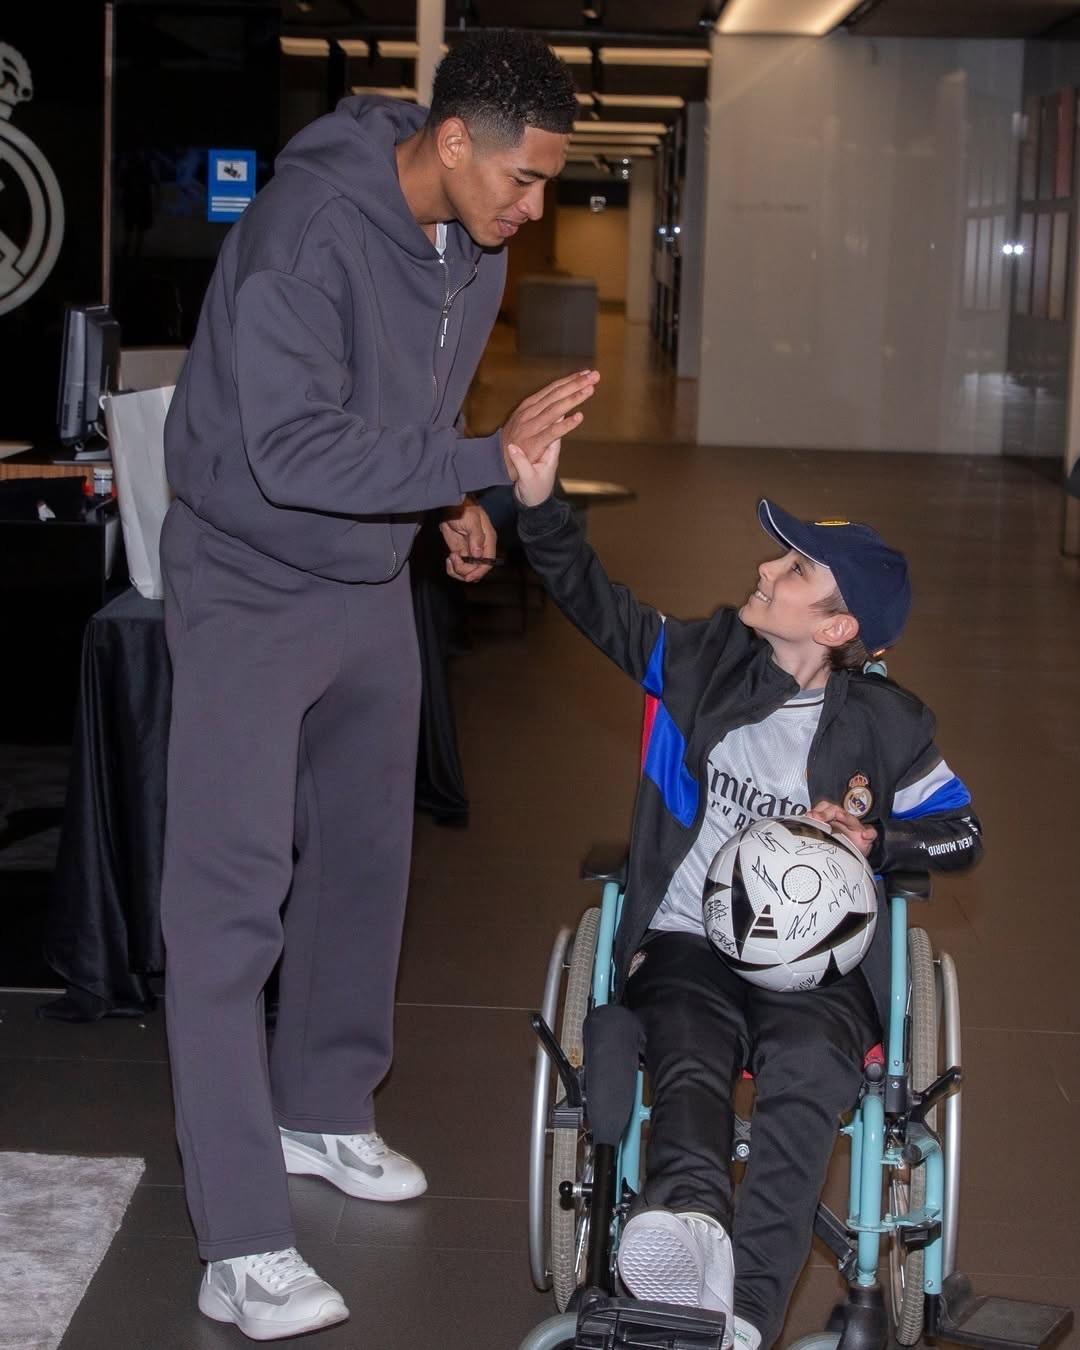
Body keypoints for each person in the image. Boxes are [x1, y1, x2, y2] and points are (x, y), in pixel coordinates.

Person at [159, 31, 596, 1341]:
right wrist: (478, 459)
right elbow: (292, 451)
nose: (533, 209)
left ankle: (322, 1105)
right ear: (452, 141)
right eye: (522, 178)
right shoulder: (303, 234)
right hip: (248, 582)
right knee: (229, 909)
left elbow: (394, 411)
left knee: (364, 862)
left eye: (545, 183)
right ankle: (239, 1243)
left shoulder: (477, 241)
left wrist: (445, 496)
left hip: (365, 579)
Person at [510, 440, 983, 1350]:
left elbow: (963, 832)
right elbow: (592, 600)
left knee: (807, 1074)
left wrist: (878, 840)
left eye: (795, 569)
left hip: (817, 970)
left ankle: (746, 1317)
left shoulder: (887, 726)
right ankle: (693, 1224)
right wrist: (540, 507)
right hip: (689, 940)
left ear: (839, 629)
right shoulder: (701, 659)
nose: (765, 569)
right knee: (687, 1049)